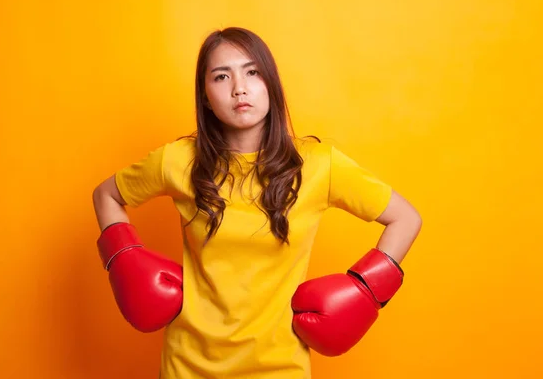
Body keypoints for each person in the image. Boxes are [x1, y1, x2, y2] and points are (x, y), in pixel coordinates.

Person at [92, 27, 422, 379]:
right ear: (205, 95)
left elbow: (405, 218)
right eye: (222, 76)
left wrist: (365, 289)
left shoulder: (318, 165)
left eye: (252, 72)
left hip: (279, 368)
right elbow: (106, 195)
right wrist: (125, 259)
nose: (239, 88)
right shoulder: (178, 161)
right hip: (187, 366)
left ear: (270, 84)